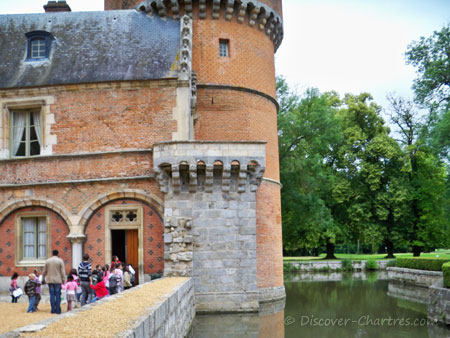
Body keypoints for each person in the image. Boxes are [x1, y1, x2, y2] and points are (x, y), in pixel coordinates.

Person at [42, 249, 66, 314]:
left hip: (50, 280)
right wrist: (64, 280)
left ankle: (53, 310)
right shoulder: (60, 261)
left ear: (52, 254)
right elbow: (62, 271)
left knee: (52, 295)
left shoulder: (48, 261)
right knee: (58, 295)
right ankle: (58, 310)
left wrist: (43, 279)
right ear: (57, 254)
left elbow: (44, 271)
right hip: (58, 280)